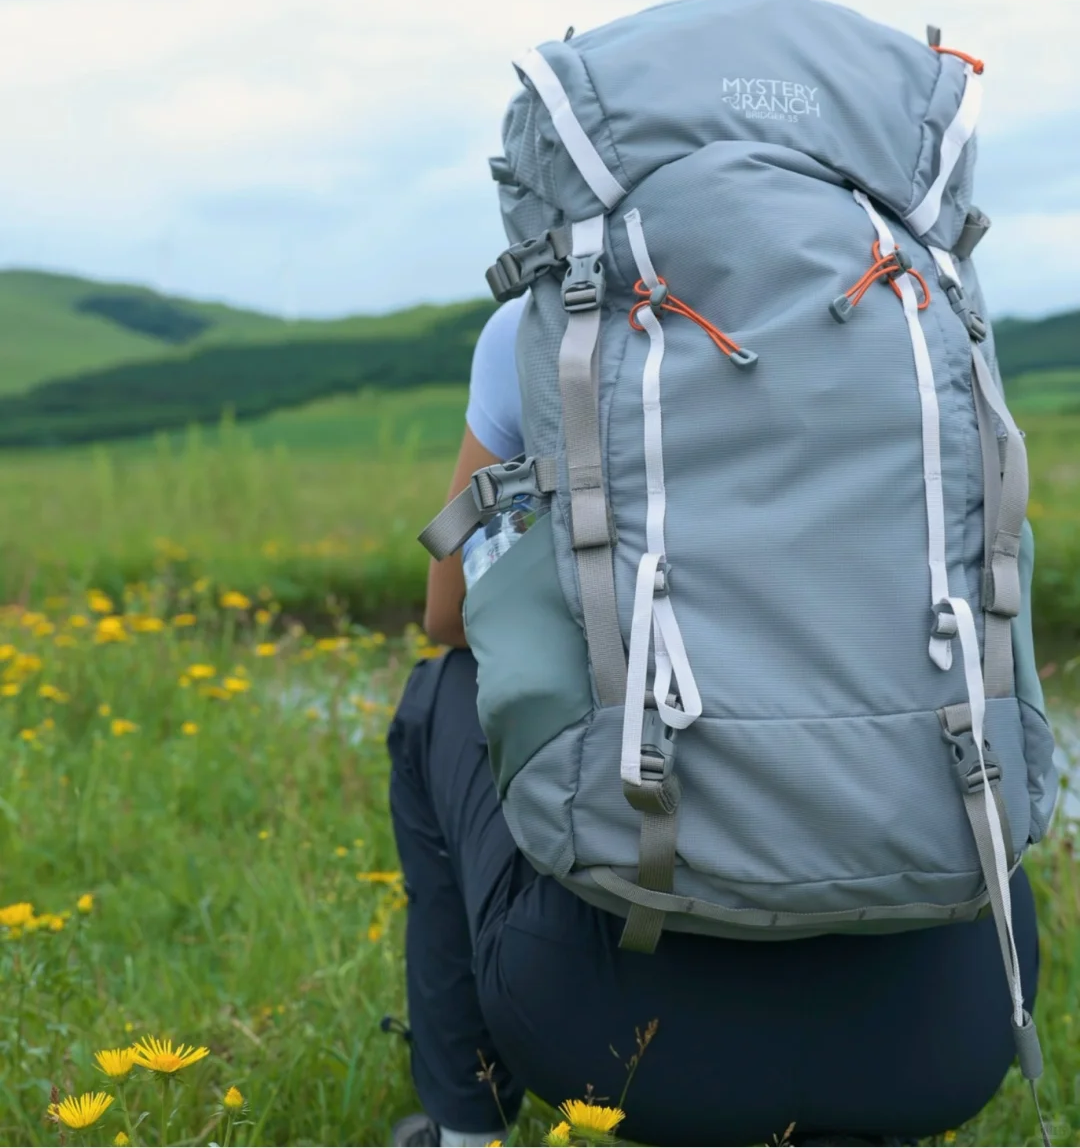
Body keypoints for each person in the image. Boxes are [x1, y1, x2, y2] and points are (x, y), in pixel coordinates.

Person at [386, 295, 1040, 1148]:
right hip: (949, 1034)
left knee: (448, 688)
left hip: (612, 1037)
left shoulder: (551, 322)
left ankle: (465, 1129)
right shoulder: (930, 311)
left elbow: (450, 611)